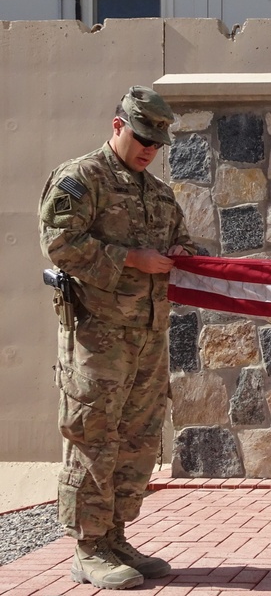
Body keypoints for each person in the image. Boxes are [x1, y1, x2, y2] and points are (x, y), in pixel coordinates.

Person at [39, 86, 196, 590]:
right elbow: (60, 242)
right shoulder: (82, 179)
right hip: (97, 338)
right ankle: (88, 548)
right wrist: (133, 258)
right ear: (117, 126)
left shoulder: (159, 193)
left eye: (155, 143)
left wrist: (179, 251)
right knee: (93, 440)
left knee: (138, 441)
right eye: (141, 137)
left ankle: (116, 536)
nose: (148, 149)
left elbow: (183, 244)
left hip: (148, 337)